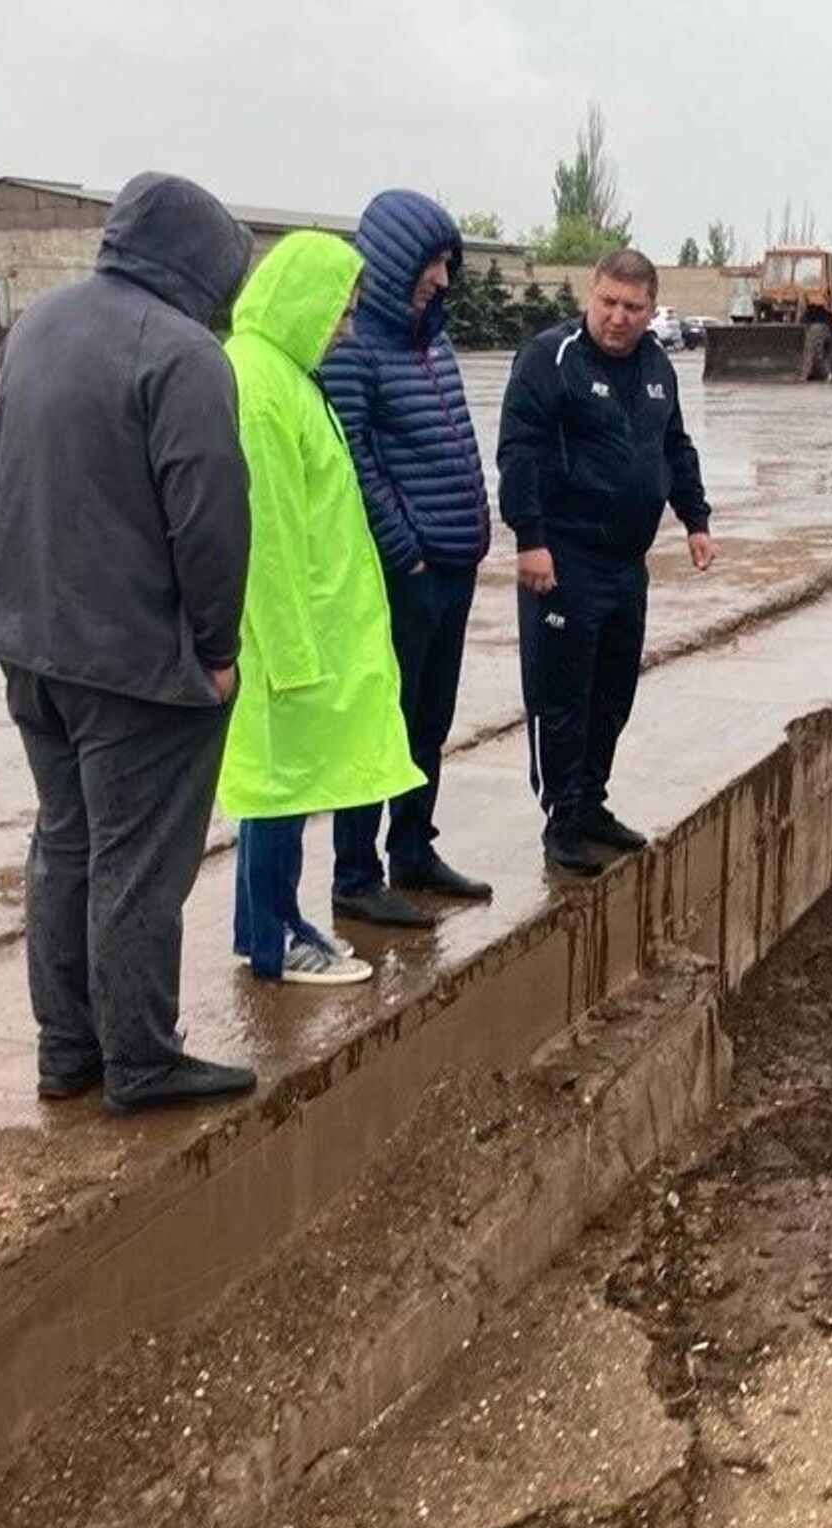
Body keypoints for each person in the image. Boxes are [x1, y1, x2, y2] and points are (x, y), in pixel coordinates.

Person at [0, 171, 259, 1117]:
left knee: (65, 844)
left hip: (30, 643)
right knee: (136, 863)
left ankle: (67, 1049)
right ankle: (140, 1059)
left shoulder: (40, 323)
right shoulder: (185, 354)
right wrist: (215, 649)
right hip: (134, 663)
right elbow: (210, 520)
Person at [219, 229, 424, 984]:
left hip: (315, 626)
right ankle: (277, 939)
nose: (345, 328)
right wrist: (289, 652)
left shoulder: (286, 375)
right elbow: (266, 537)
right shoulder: (262, 388)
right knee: (279, 789)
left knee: (281, 791)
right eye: (340, 310)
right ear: (303, 298)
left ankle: (264, 925)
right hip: (290, 639)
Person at [496, 247, 714, 876]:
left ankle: (591, 802)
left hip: (625, 564)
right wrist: (530, 538)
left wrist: (695, 519)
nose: (618, 318)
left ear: (652, 309)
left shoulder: (656, 366)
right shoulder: (550, 359)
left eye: (633, 308)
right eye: (608, 302)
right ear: (590, 294)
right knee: (562, 695)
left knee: (612, 692)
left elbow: (674, 446)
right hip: (564, 560)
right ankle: (562, 819)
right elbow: (519, 451)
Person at [319, 190, 493, 930]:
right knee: (380, 724)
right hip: (405, 574)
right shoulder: (355, 348)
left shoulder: (433, 343)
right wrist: (407, 552)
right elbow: (353, 461)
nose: (443, 280)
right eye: (433, 264)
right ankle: (355, 875)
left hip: (453, 566)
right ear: (394, 262)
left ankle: (413, 850)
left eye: (448, 265)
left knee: (429, 720)